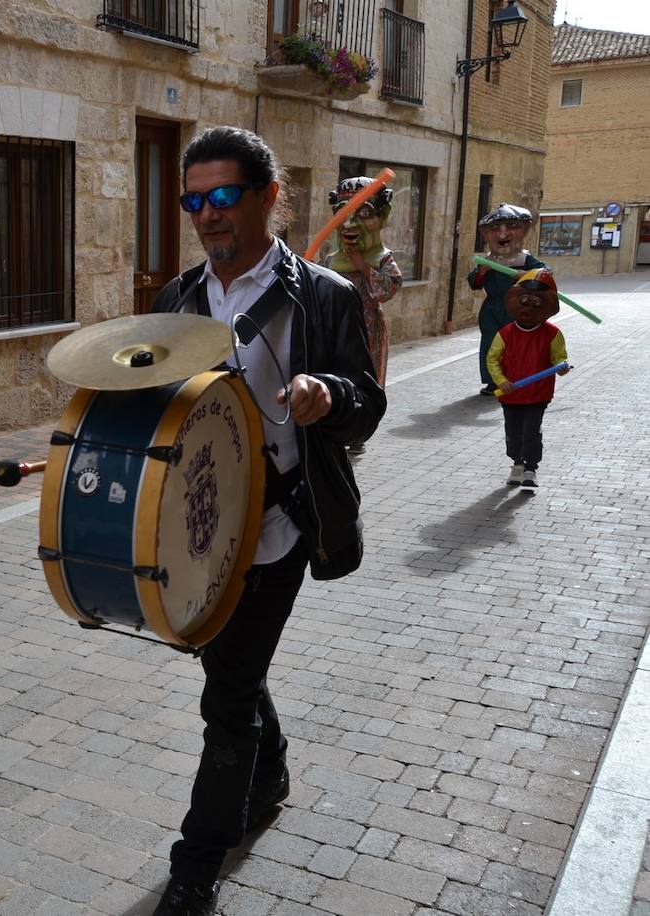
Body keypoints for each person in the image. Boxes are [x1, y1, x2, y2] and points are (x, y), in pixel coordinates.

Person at [149, 127, 386, 916]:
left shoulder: (323, 296)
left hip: (281, 522)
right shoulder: (177, 299)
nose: (208, 215)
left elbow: (367, 405)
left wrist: (330, 396)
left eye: (223, 197)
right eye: (195, 200)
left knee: (226, 697)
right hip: (200, 527)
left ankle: (196, 865)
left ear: (267, 198)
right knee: (229, 673)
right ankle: (273, 765)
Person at [323, 177, 402, 454]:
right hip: (333, 328)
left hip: (367, 327)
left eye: (364, 213)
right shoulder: (330, 260)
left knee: (364, 377)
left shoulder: (382, 259)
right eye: (343, 213)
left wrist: (363, 267)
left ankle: (359, 431)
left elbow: (388, 289)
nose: (349, 224)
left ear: (382, 217)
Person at [487, 267, 569, 490]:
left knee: (531, 431)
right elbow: (492, 359)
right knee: (513, 434)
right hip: (510, 393)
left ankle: (531, 468)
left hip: (538, 394)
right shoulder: (505, 334)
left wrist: (561, 366)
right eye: (524, 299)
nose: (529, 306)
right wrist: (500, 380)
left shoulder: (552, 334)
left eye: (537, 302)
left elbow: (559, 357)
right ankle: (517, 463)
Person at [468, 203, 544, 396]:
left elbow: (545, 273)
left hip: (518, 309)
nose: (502, 234)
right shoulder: (489, 260)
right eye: (495, 229)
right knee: (490, 345)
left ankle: (515, 378)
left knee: (516, 345)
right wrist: (481, 272)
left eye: (511, 227)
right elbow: (474, 283)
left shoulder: (525, 259)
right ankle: (493, 382)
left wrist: (526, 275)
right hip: (492, 309)